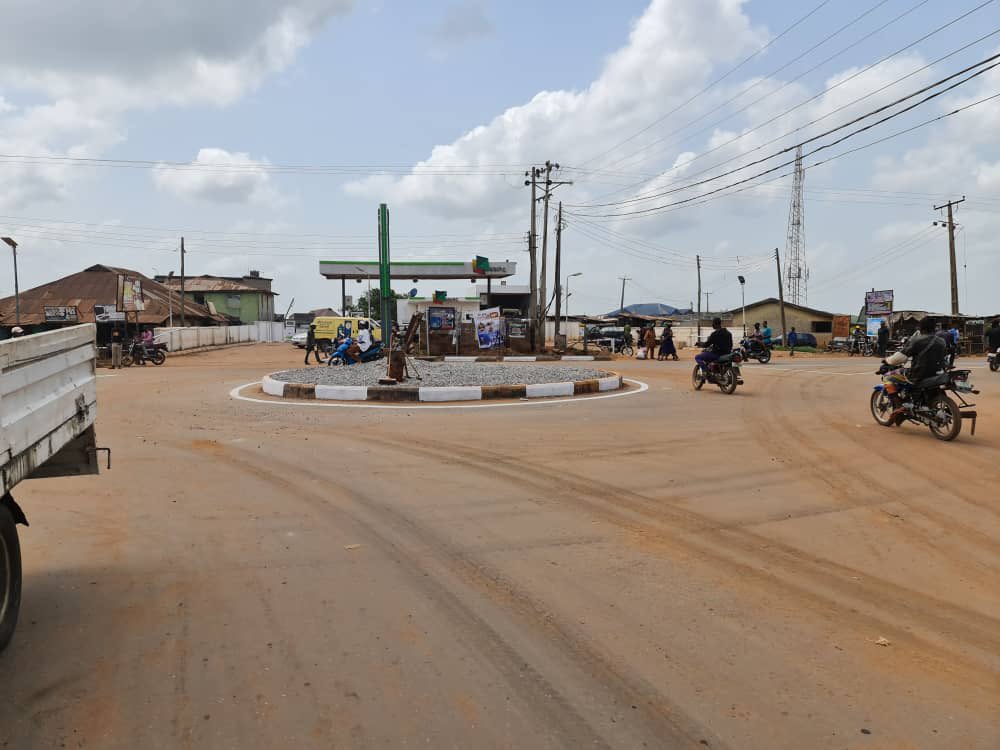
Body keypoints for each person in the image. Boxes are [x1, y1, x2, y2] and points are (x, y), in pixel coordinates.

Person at [884, 316, 948, 423]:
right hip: (938, 374)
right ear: (934, 328)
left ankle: (899, 406)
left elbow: (900, 358)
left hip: (918, 374)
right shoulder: (941, 341)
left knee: (887, 377)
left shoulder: (916, 340)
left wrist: (888, 360)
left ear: (920, 327)